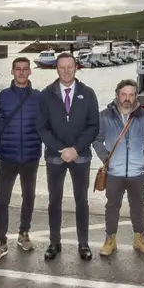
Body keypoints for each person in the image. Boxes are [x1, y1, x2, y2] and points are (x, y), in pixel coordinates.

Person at [36, 52, 100, 261]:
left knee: (82, 201)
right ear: (56, 69)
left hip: (80, 156)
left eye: (69, 67)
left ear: (76, 67)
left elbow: (93, 126)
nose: (66, 71)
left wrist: (76, 149)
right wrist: (61, 149)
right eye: (61, 67)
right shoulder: (46, 95)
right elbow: (41, 127)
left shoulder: (88, 93)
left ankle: (83, 244)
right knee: (54, 201)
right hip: (55, 157)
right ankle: (54, 242)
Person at [93, 79, 144, 256]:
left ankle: (140, 239)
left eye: (131, 94)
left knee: (138, 206)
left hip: (138, 171)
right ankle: (110, 239)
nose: (127, 98)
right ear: (117, 95)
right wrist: (107, 159)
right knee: (112, 206)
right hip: (115, 172)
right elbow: (97, 140)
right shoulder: (105, 116)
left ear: (136, 96)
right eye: (124, 94)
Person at [0, 57, 43, 262]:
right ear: (12, 72)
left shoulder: (39, 98)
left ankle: (24, 233)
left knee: (29, 196)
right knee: (2, 199)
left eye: (25, 69)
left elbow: (46, 125)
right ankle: (1, 240)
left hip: (31, 155)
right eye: (17, 69)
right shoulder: (1, 97)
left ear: (30, 72)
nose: (21, 72)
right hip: (7, 156)